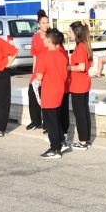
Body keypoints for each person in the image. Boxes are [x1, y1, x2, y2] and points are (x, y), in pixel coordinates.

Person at [34, 28, 70, 158]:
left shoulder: (44, 55)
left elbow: (38, 76)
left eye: (44, 38)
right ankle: (61, 141)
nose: (43, 39)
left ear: (49, 40)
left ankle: (55, 148)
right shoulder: (62, 55)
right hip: (59, 89)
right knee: (55, 117)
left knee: (50, 121)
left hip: (49, 91)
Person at [68, 21, 93, 150]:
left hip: (78, 84)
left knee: (80, 113)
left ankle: (82, 141)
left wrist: (68, 67)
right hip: (83, 83)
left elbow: (82, 66)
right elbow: (90, 64)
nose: (68, 34)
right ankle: (86, 138)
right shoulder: (84, 45)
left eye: (70, 31)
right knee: (84, 112)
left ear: (76, 33)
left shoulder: (80, 47)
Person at [26, 9, 50, 130]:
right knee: (32, 93)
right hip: (37, 71)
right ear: (39, 24)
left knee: (45, 98)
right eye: (43, 23)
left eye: (47, 22)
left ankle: (47, 123)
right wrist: (33, 72)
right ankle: (35, 121)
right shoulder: (35, 37)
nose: (46, 25)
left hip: (49, 71)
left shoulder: (52, 36)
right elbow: (34, 55)